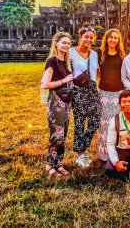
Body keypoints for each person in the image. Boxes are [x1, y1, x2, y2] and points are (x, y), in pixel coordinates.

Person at [41, 32, 74, 179]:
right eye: (63, 42)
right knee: (56, 136)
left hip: (67, 102)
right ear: (56, 43)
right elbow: (45, 84)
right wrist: (64, 80)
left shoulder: (66, 61)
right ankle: (49, 165)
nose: (66, 45)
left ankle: (59, 163)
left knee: (63, 135)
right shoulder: (52, 61)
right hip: (56, 101)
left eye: (68, 43)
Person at [70, 23, 101, 168]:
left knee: (95, 120)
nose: (88, 40)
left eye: (91, 38)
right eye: (86, 37)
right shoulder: (70, 52)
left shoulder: (94, 54)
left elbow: (98, 72)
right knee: (80, 122)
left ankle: (81, 146)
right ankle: (80, 155)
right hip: (78, 90)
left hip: (92, 89)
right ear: (80, 38)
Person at [98, 28, 126, 162]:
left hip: (118, 94)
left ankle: (116, 152)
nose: (113, 40)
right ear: (106, 39)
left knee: (116, 123)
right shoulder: (100, 54)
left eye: (116, 38)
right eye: (111, 37)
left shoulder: (122, 56)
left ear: (118, 40)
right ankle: (104, 154)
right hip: (104, 93)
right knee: (104, 123)